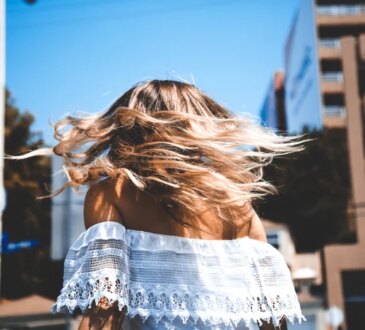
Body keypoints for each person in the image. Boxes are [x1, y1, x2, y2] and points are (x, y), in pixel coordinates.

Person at [5, 79, 309, 329]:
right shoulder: (236, 203)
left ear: (128, 127)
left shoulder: (113, 192)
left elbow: (105, 311)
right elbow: (272, 320)